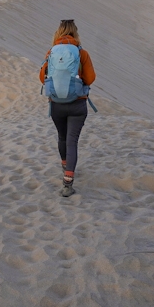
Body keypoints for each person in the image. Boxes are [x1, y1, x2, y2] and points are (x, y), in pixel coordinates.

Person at [39, 19, 96, 197]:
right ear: (75, 33)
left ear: (58, 33)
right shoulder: (82, 53)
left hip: (57, 104)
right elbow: (91, 78)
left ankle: (65, 164)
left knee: (62, 137)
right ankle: (68, 182)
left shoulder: (51, 52)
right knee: (72, 141)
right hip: (78, 104)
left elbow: (42, 77)